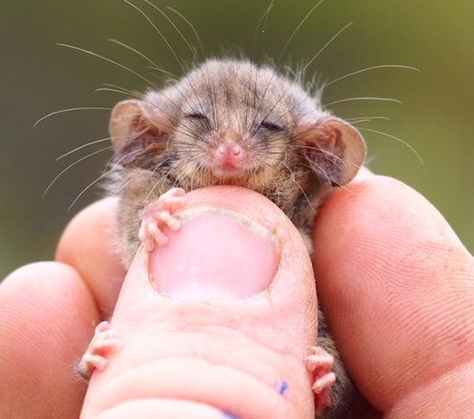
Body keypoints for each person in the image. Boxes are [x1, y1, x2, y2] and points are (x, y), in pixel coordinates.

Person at [1, 170, 473, 418]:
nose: (229, 150)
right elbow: (128, 241)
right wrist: (151, 217)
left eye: (263, 127)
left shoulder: (313, 212)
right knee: (94, 350)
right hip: (125, 351)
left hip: (304, 351)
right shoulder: (149, 192)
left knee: (326, 363)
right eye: (202, 123)